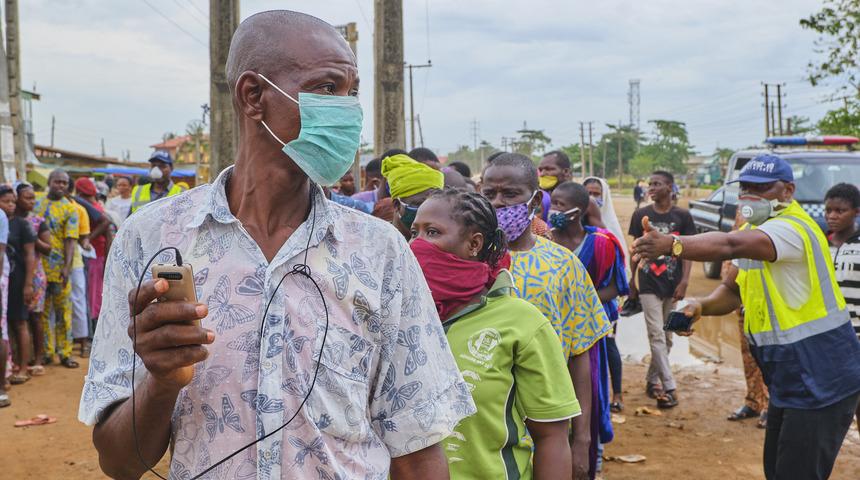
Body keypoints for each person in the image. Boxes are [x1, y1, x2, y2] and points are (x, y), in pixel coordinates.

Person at [81, 11, 475, 480]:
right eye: (327, 88)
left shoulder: (380, 252)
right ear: (253, 96)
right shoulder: (150, 240)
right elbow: (118, 461)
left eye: (351, 93)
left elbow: (417, 449)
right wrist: (162, 382)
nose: (348, 112)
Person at [632, 154, 860, 480]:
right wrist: (700, 306)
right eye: (745, 188)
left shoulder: (791, 228)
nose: (750, 196)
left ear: (787, 191)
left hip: (822, 376)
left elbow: (729, 244)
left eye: (761, 188)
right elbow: (732, 289)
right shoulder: (757, 230)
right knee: (777, 470)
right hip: (791, 376)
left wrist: (672, 244)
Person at [411, 189, 579, 479]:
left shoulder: (521, 322)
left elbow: (551, 437)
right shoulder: (398, 316)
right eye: (414, 232)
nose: (416, 244)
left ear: (474, 244)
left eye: (433, 232)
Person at [481, 153, 611, 480]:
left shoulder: (564, 265)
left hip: (547, 421)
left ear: (536, 200)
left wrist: (581, 439)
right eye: (489, 194)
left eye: (510, 194)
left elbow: (581, 354)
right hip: (483, 426)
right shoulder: (466, 261)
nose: (498, 202)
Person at [548, 182, 630, 474]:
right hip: (551, 331)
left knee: (589, 389)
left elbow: (617, 286)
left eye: (560, 205)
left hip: (588, 331)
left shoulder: (602, 244)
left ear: (579, 210)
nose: (553, 210)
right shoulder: (543, 240)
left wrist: (579, 300)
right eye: (552, 203)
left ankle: (590, 454)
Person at [627, 170, 695, 409]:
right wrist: (632, 281)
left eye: (657, 184)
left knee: (667, 337)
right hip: (648, 283)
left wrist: (684, 281)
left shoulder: (682, 216)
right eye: (650, 184)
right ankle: (670, 387)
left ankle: (651, 379)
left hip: (673, 284)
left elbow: (688, 251)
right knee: (656, 334)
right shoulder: (641, 215)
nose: (652, 188)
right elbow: (635, 249)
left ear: (670, 187)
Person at [34, 169, 80, 369]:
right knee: (42, 311)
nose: (61, 185)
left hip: (60, 268)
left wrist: (67, 267)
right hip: (38, 268)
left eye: (64, 182)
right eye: (57, 181)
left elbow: (71, 240)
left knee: (63, 312)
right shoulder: (37, 204)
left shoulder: (70, 209)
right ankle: (46, 352)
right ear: (49, 182)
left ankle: (65, 352)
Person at [825, 182, 860, 428]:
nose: (832, 216)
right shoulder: (819, 245)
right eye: (828, 210)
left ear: (856, 212)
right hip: (827, 336)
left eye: (840, 211)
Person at [2, 184, 36, 387]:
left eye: (13, 202)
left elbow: (30, 254)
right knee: (5, 325)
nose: (11, 205)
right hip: (4, 280)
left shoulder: (22, 224)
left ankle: (23, 367)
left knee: (20, 322)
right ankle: (9, 366)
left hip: (18, 279)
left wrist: (28, 284)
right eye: (6, 201)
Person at [75, 177, 113, 342]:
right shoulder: (96, 206)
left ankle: (95, 332)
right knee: (96, 292)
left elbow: (106, 224)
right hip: (99, 253)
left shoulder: (89, 207)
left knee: (94, 294)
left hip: (95, 254)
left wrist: (87, 239)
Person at [18, 182, 49, 379]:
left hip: (35, 276)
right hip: (15, 274)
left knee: (35, 317)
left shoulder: (37, 221)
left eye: (33, 198)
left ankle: (38, 359)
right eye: (27, 198)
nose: (31, 202)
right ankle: (21, 359)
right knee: (17, 319)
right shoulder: (8, 219)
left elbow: (48, 248)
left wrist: (32, 237)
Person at [382, 153, 444, 239]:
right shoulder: (379, 241)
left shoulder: (439, 240)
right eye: (419, 204)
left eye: (433, 205)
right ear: (397, 205)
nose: (428, 211)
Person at [67, 182, 92, 359]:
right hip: (51, 264)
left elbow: (84, 236)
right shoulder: (44, 206)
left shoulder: (79, 210)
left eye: (64, 184)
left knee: (78, 301)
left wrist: (86, 244)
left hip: (75, 261)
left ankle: (83, 343)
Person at [583, 176, 629, 265]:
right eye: (588, 193)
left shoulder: (611, 224)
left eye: (596, 194)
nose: (592, 198)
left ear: (604, 196)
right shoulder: (575, 221)